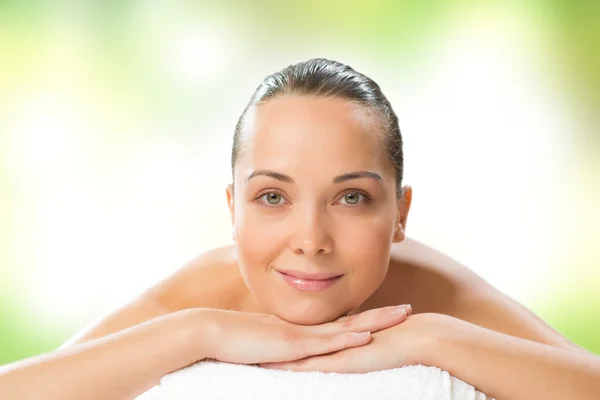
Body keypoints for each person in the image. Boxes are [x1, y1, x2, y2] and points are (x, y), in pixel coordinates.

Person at [1, 58, 599, 400]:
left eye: (352, 196)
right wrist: (198, 331)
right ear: (232, 209)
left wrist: (431, 339)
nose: (310, 239)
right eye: (272, 196)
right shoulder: (195, 296)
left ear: (401, 216)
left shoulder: (435, 291)